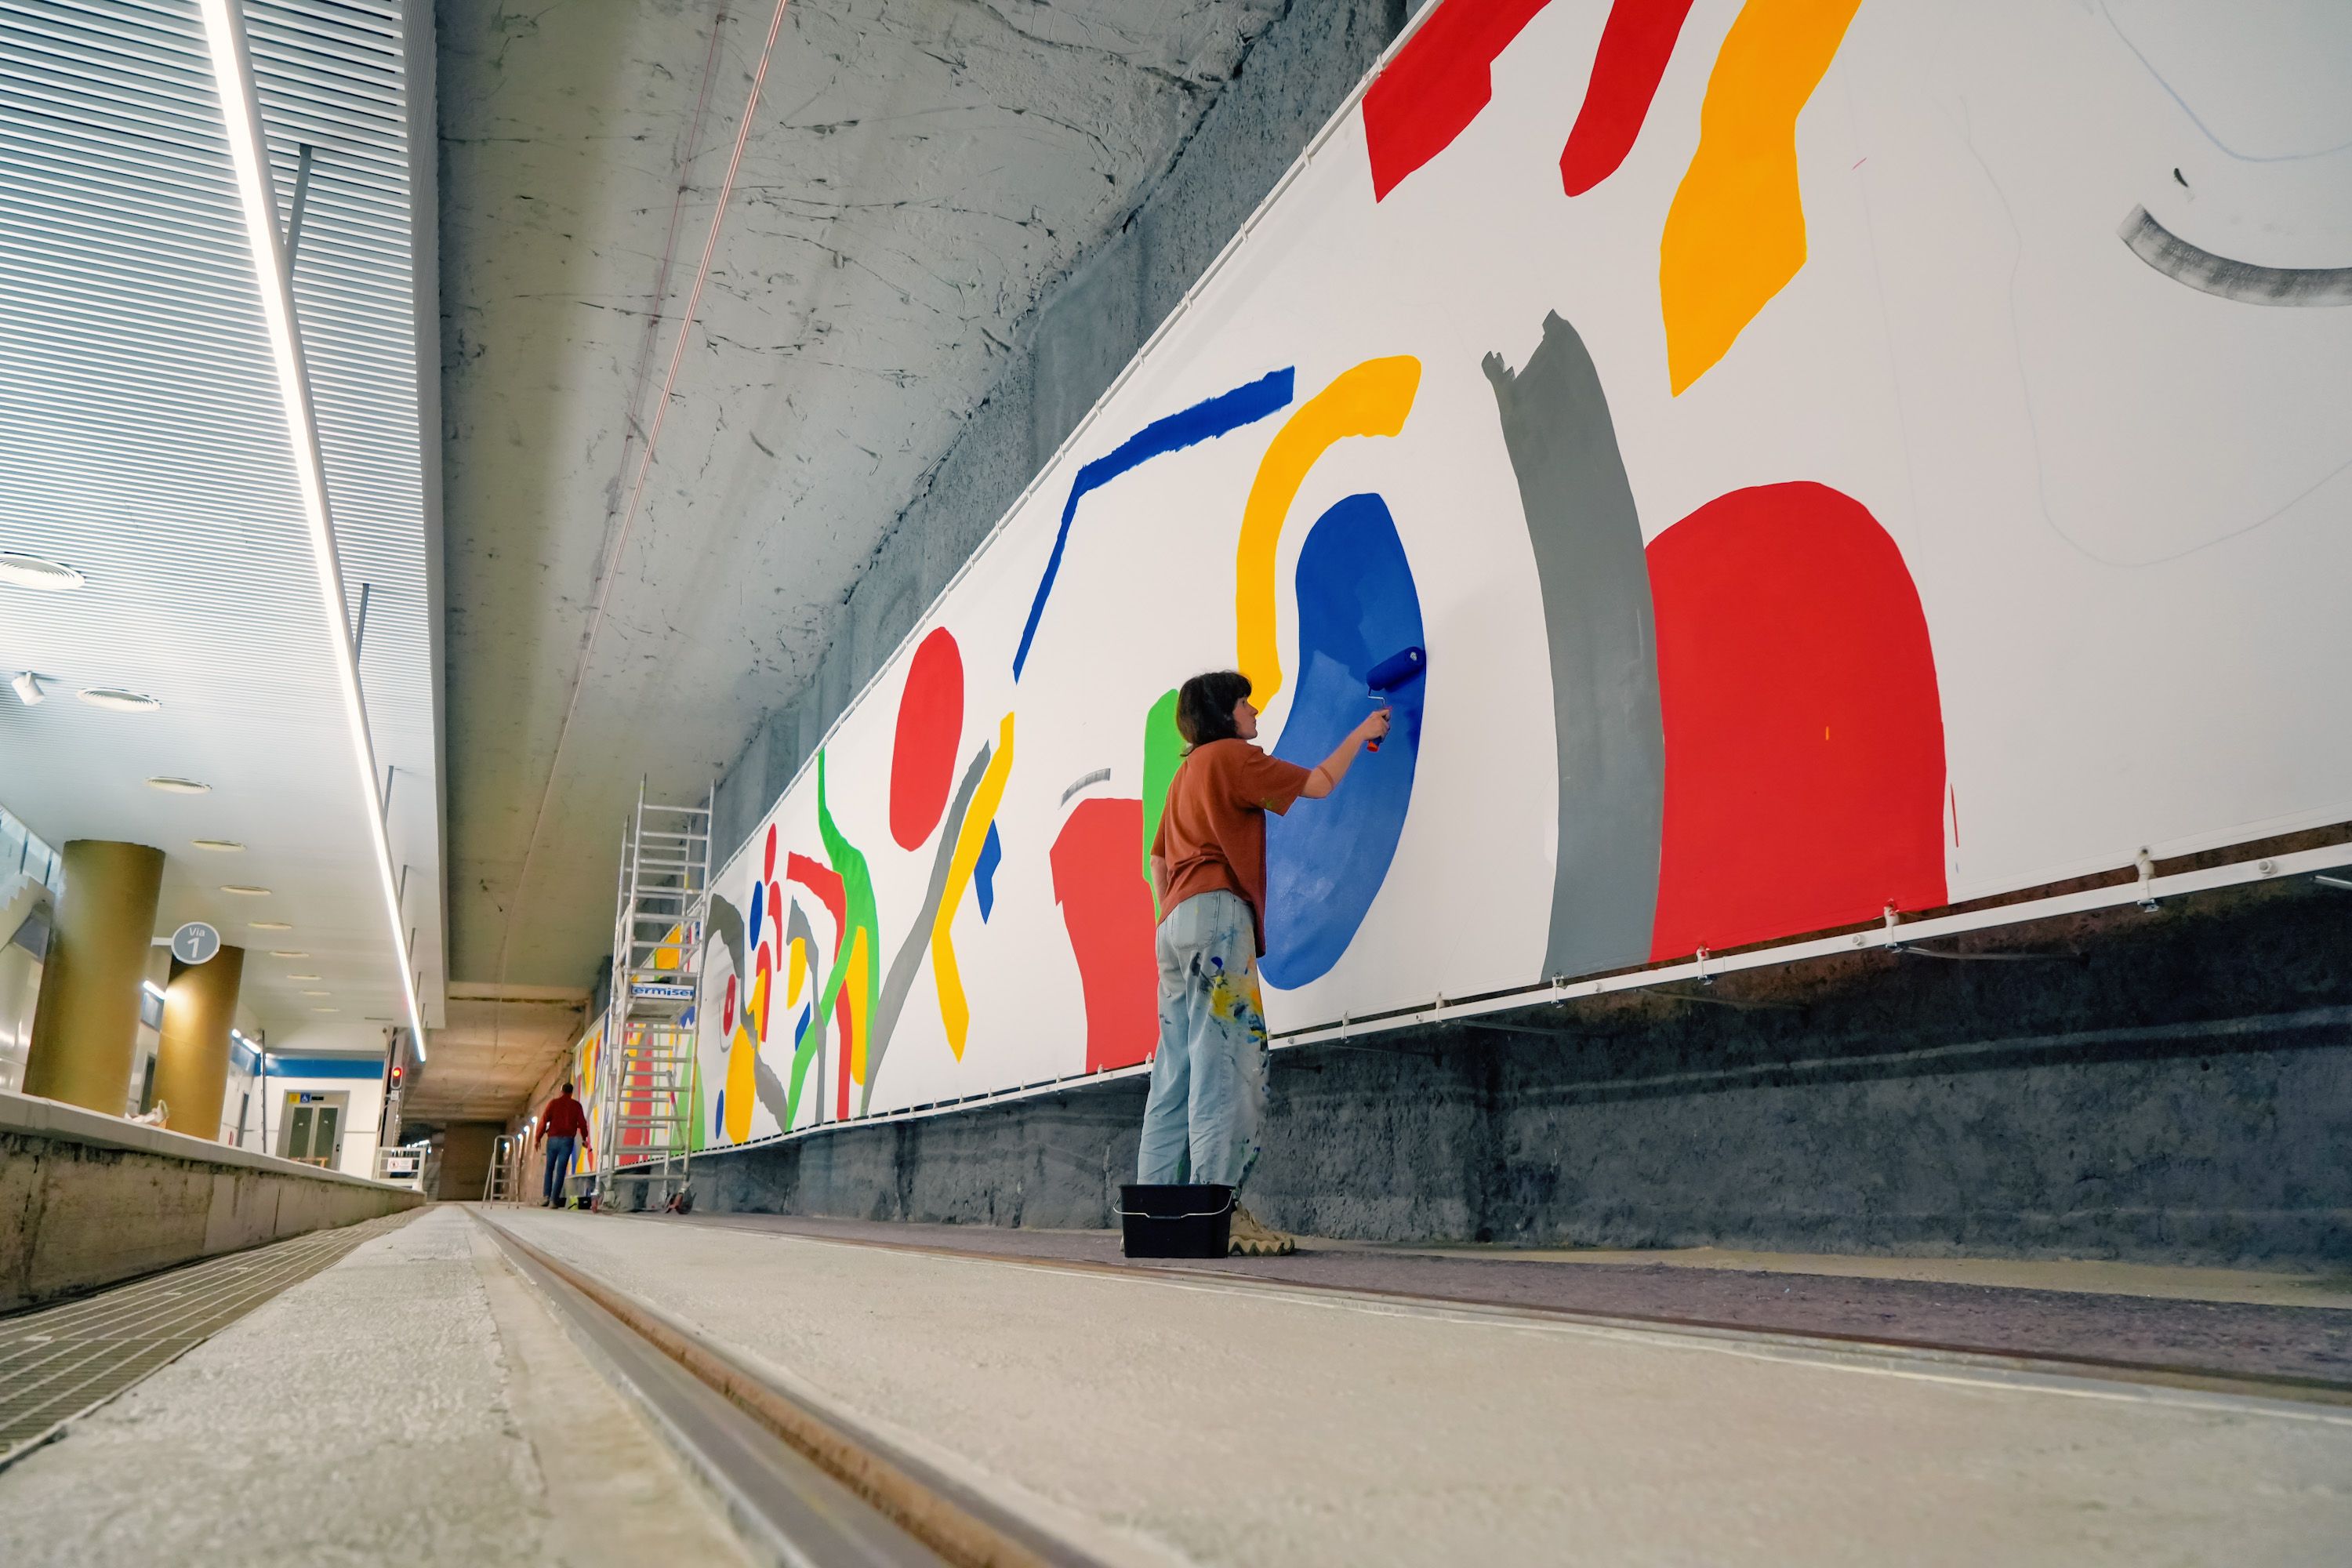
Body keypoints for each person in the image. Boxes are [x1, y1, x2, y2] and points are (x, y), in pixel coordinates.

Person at [1142, 670, 1391, 1256]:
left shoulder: (1184, 775)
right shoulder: (1234, 758)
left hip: (1174, 925)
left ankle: (1158, 1214)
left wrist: (1175, 913)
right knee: (1226, 1062)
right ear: (1226, 714)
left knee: (1175, 1069)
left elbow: (1157, 859)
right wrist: (1363, 731)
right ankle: (1217, 1210)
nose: (1254, 710)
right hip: (1216, 920)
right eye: (1244, 701)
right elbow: (1322, 783)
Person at [537, 1082, 591, 1207]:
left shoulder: (553, 1103)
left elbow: (544, 1121)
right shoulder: (576, 1105)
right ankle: (553, 1201)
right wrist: (584, 1138)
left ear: (561, 1091)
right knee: (561, 1170)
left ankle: (546, 1196)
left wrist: (538, 1138)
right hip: (567, 1141)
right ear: (571, 1093)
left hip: (553, 1140)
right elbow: (582, 1123)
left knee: (549, 1169)